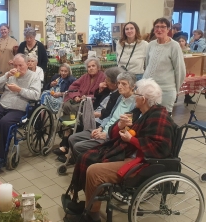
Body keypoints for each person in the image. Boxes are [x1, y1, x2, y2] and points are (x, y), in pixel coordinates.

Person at [66, 78, 175, 221]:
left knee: (93, 171)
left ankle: (92, 216)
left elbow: (160, 147)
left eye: (136, 94)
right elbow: (113, 132)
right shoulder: (138, 112)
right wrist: (120, 125)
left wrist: (132, 139)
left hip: (142, 161)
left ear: (143, 99)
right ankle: (89, 205)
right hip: (127, 152)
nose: (134, 96)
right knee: (86, 157)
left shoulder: (160, 117)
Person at [56, 72, 137, 162]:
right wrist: (100, 128)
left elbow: (128, 128)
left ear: (133, 86)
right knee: (72, 138)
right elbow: (109, 116)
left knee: (78, 146)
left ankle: (85, 162)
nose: (120, 86)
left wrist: (106, 135)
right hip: (104, 129)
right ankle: (79, 160)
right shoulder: (120, 98)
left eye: (124, 84)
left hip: (112, 137)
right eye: (118, 83)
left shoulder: (135, 104)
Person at [56, 57, 105, 153]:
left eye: (93, 66)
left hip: (92, 104)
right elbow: (73, 86)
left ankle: (66, 143)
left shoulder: (102, 77)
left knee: (75, 113)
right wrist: (76, 96)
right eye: (89, 66)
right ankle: (66, 140)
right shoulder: (85, 76)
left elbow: (100, 94)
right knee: (66, 105)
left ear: (98, 67)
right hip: (80, 102)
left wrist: (86, 97)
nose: (90, 68)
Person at [143, 17, 186, 114]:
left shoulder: (174, 46)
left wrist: (176, 89)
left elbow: (180, 70)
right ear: (154, 30)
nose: (159, 29)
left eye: (163, 27)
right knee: (147, 116)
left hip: (166, 90)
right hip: (149, 89)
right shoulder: (151, 45)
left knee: (163, 118)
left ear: (168, 29)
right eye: (157, 27)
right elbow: (147, 64)